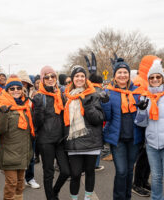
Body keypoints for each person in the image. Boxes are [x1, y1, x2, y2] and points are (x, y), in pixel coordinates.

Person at [101, 58, 144, 200]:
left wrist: (143, 108)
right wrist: (105, 103)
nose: (122, 75)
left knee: (129, 171)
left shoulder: (137, 91)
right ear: (114, 75)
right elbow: (106, 117)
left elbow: (143, 116)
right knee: (121, 171)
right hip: (117, 138)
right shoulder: (109, 91)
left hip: (134, 137)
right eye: (119, 72)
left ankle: (127, 197)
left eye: (125, 72)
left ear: (129, 75)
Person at [64, 65, 104, 200]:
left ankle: (87, 198)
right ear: (72, 79)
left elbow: (98, 119)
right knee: (75, 174)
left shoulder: (93, 95)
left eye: (82, 76)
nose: (80, 78)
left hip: (91, 141)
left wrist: (87, 105)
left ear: (85, 79)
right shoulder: (67, 97)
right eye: (77, 76)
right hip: (73, 141)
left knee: (89, 172)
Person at [32, 66, 70, 200]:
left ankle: (54, 192)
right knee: (48, 173)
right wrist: (38, 109)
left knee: (66, 171)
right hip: (45, 140)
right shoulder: (39, 97)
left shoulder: (60, 94)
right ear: (42, 79)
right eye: (46, 77)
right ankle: (50, 198)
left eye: (52, 76)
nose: (50, 79)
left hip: (60, 140)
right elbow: (37, 122)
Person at [0, 77, 34, 200]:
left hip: (23, 152)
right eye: (12, 88)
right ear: (7, 90)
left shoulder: (25, 105)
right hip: (9, 154)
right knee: (11, 183)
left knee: (20, 183)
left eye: (18, 88)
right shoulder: (3, 105)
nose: (16, 90)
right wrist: (3, 113)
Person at [134, 57, 164, 200]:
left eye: (158, 77)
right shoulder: (144, 98)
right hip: (152, 144)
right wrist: (141, 111)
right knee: (156, 176)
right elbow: (141, 124)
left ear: (162, 78)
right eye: (151, 77)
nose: (155, 79)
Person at [17, 70, 40, 189]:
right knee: (19, 157)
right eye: (20, 83)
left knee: (30, 156)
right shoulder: (12, 96)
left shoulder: (34, 95)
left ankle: (30, 178)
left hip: (31, 131)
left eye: (25, 83)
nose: (22, 86)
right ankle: (20, 180)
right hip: (18, 132)